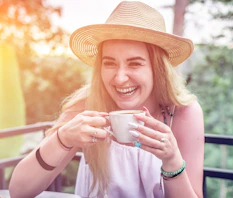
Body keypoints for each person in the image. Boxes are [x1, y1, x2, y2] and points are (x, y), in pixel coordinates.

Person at [9, 1, 204, 198]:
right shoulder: (87, 104)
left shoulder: (183, 113)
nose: (120, 78)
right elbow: (19, 191)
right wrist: (62, 139)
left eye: (134, 64)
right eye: (109, 63)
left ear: (157, 68)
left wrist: (172, 161)